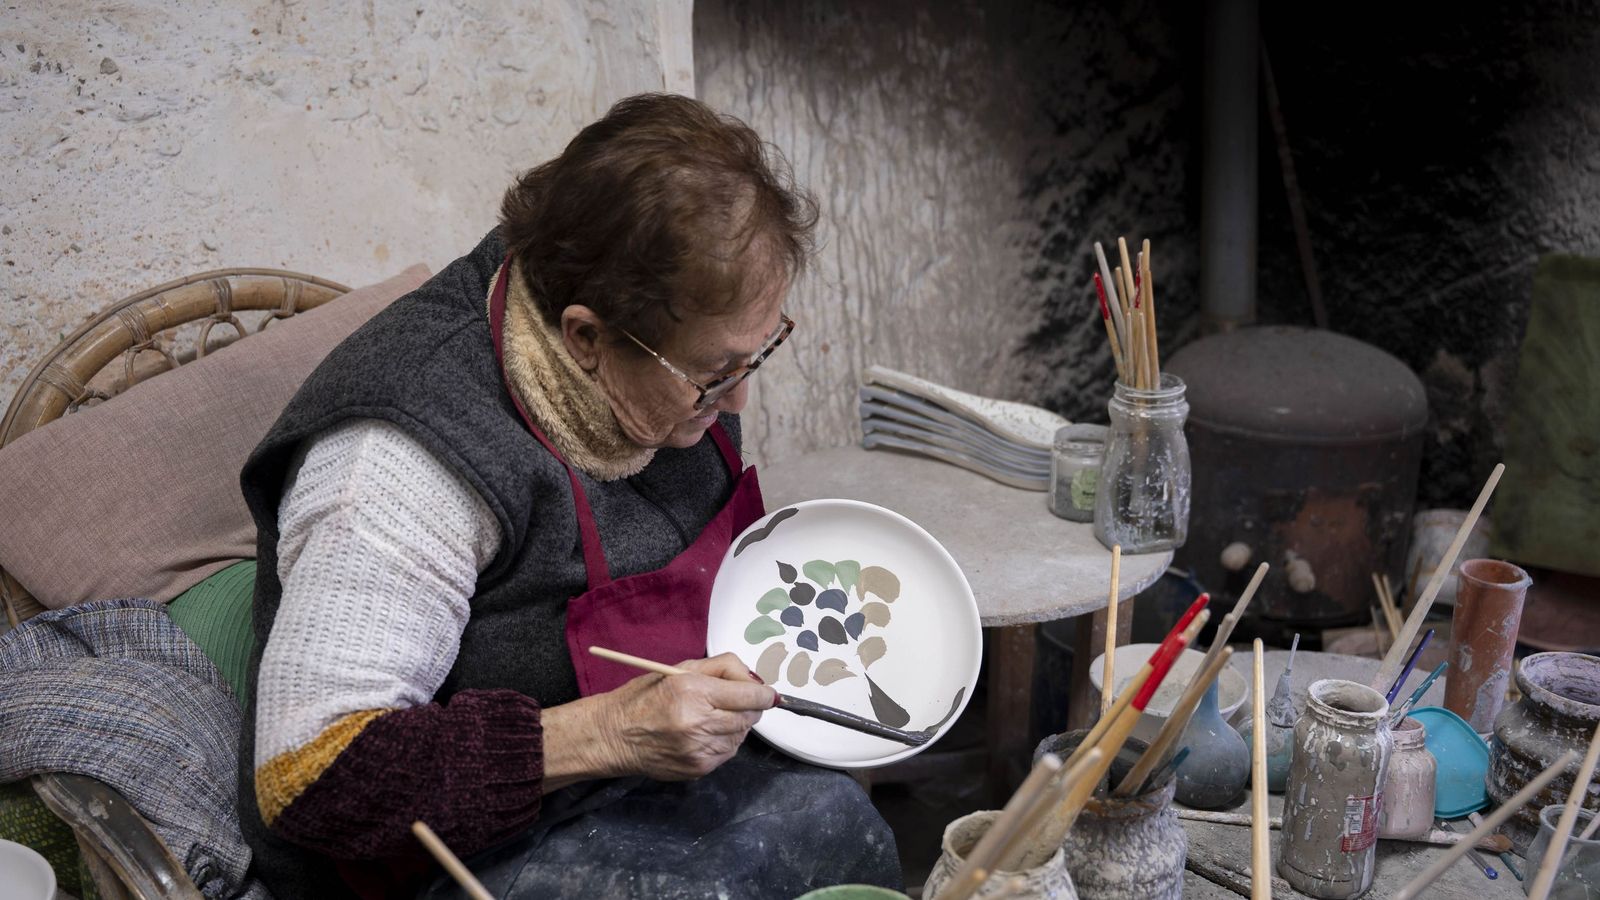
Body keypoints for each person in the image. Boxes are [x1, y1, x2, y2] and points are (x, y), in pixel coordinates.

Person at [236, 94, 902, 899]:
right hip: (455, 854)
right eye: (713, 375)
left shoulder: (661, 356)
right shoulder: (397, 463)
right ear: (586, 337)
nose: (737, 402)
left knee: (845, 826)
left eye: (753, 359)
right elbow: (313, 779)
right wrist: (610, 731)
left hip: (636, 788)